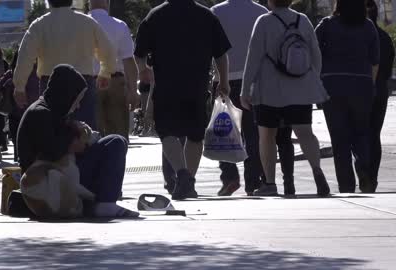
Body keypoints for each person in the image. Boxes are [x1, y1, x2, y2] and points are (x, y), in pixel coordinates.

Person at [134, 0, 232, 200]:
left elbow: (139, 52)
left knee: (167, 132)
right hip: (196, 85)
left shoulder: (155, 15)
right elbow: (221, 54)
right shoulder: (206, 16)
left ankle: (182, 174)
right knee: (195, 135)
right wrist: (223, 80)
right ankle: (188, 181)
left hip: (166, 85)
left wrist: (143, 70)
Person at [17, 64, 138, 218]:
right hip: (49, 180)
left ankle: (102, 201)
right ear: (66, 94)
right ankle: (105, 203)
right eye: (76, 99)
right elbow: (55, 151)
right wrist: (76, 138)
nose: (78, 105)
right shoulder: (40, 114)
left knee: (113, 141)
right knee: (116, 142)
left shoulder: (50, 110)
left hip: (61, 175)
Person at [241, 0, 330, 196]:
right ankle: (317, 171)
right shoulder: (303, 20)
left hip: (269, 90)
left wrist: (245, 89)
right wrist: (310, 79)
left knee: (267, 136)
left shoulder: (264, 21)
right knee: (305, 133)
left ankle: (270, 184)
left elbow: (253, 57)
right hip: (300, 89)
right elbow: (316, 54)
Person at [13, 0, 117, 129]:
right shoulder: (88, 22)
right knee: (85, 130)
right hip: (83, 83)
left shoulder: (39, 25)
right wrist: (105, 73)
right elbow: (108, 50)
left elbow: (25, 57)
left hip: (51, 84)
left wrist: (19, 86)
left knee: (52, 129)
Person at [315, 0, 380, 193]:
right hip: (361, 85)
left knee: (339, 139)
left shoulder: (327, 25)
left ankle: (346, 185)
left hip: (332, 87)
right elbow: (375, 60)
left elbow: (313, 51)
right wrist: (370, 85)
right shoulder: (368, 26)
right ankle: (364, 172)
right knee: (361, 134)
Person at [211, 0, 268, 196]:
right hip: (254, 80)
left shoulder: (216, 11)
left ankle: (229, 177)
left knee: (224, 132)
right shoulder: (261, 12)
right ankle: (254, 180)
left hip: (224, 78)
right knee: (253, 134)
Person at [89, 0, 140, 139]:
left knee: (93, 135)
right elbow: (129, 61)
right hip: (116, 82)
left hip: (90, 84)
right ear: (107, 2)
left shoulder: (80, 26)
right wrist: (133, 90)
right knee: (118, 135)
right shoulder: (120, 25)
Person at [360, 0, 394, 193]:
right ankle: (372, 177)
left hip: (361, 91)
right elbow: (388, 69)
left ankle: (364, 172)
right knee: (374, 135)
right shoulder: (384, 37)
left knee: (359, 134)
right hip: (380, 92)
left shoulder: (357, 35)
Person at [0, 51, 40, 162]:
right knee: (31, 136)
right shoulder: (38, 72)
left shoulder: (12, 72)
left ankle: (18, 157)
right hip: (32, 110)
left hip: (15, 110)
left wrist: (9, 84)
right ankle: (26, 158)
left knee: (17, 135)